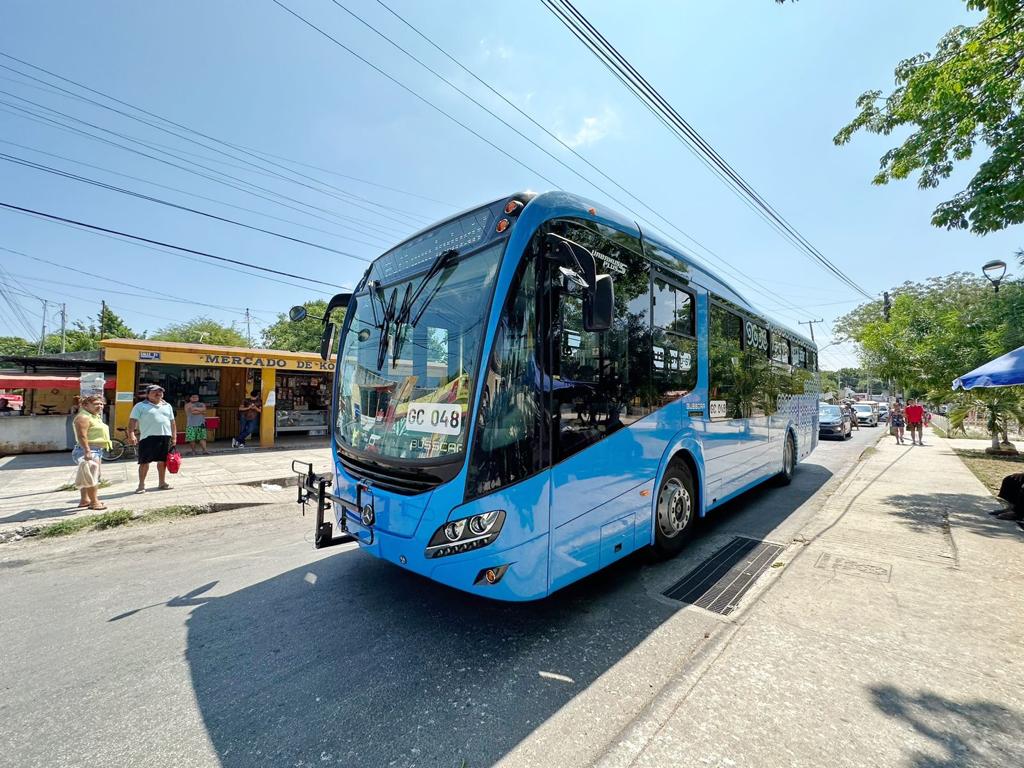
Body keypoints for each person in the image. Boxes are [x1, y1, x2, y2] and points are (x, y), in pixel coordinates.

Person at [128, 384, 176, 493]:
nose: (158, 394)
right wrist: (131, 434)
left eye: (160, 392)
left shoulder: (167, 405)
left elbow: (172, 422)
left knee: (162, 462)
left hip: (165, 437)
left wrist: (174, 437)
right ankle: (141, 485)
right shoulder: (140, 406)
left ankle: (162, 482)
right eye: (155, 392)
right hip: (147, 438)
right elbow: (132, 421)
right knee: (144, 462)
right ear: (148, 394)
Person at [71, 395, 111, 510]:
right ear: (85, 405)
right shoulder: (83, 417)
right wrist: (87, 451)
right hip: (89, 449)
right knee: (93, 477)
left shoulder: (94, 416)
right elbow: (82, 436)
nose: (100, 406)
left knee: (86, 475)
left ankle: (85, 500)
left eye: (101, 404)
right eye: (96, 404)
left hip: (94, 449)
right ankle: (94, 502)